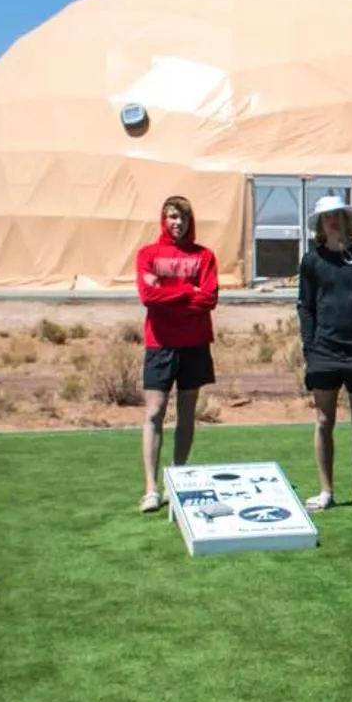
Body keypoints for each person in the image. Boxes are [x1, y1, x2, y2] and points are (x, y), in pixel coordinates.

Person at [297, 194, 352, 513]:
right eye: (326, 217)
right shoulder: (312, 261)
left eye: (336, 215)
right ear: (320, 224)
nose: (332, 221)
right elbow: (305, 307)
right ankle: (326, 490)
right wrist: (310, 345)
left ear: (347, 219)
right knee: (324, 421)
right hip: (323, 351)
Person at [136, 195, 219, 513]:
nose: (177, 223)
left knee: (187, 412)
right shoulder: (148, 254)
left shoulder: (205, 256)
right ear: (164, 218)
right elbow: (148, 296)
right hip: (160, 343)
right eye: (172, 217)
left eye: (182, 218)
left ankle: (177, 479)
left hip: (195, 343)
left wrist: (169, 290)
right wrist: (187, 290)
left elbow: (209, 299)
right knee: (154, 412)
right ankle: (151, 488)